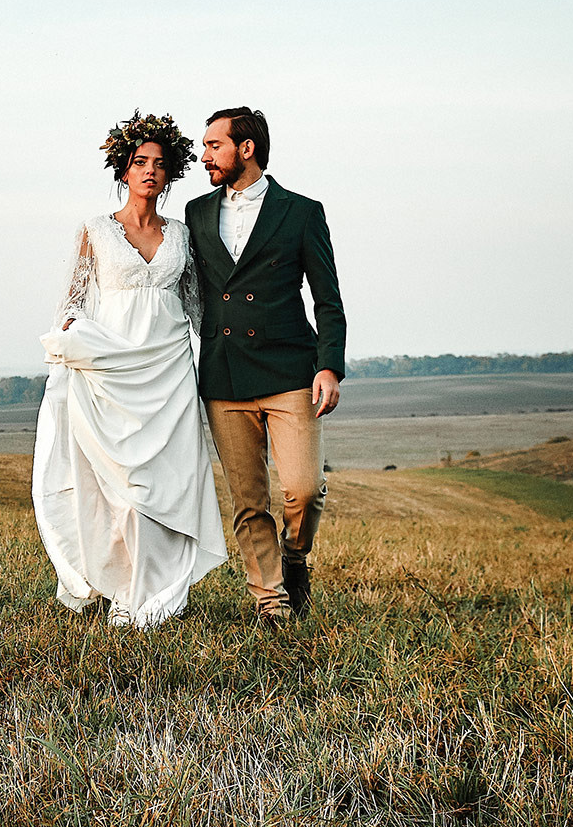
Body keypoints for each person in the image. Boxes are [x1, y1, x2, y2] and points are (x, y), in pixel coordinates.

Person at [33, 112, 228, 629]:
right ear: (124, 170)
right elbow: (72, 303)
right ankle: (123, 584)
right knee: (122, 488)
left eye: (160, 164)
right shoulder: (95, 231)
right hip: (114, 369)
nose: (150, 171)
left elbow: (199, 310)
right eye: (140, 162)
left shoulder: (181, 235)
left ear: (170, 174)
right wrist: (73, 342)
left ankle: (159, 590)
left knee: (167, 483)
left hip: (168, 371)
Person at [183, 107, 345, 630]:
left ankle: (295, 558)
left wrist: (329, 367)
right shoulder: (195, 213)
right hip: (224, 374)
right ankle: (270, 602)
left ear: (246, 148)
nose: (204, 156)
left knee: (303, 489)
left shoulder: (301, 212)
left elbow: (327, 300)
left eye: (213, 145)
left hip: (289, 370)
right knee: (248, 499)